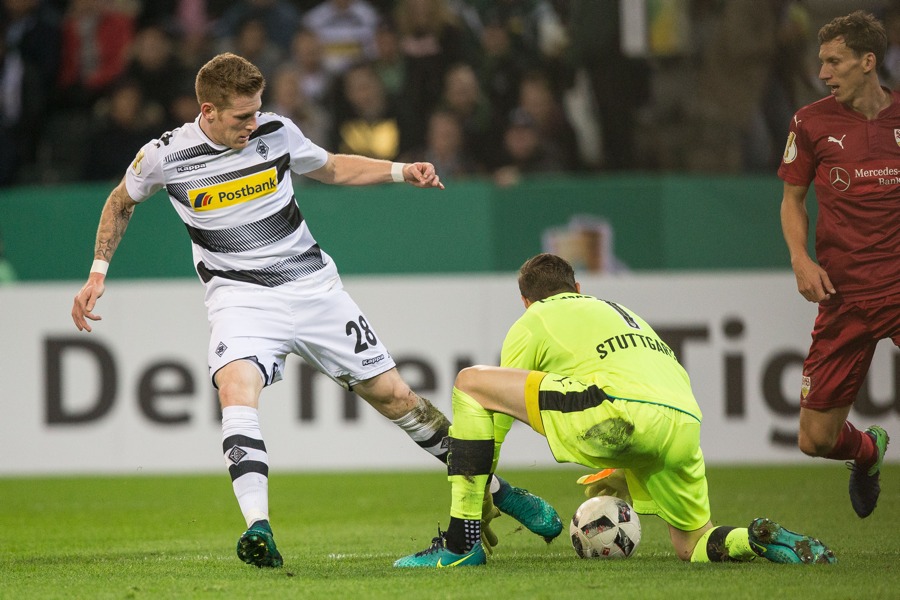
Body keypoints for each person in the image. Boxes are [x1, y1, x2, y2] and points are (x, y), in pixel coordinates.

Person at [69, 52, 561, 569]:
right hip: (241, 298)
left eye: (257, 111)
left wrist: (400, 171)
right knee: (235, 387)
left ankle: (502, 492)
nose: (253, 124)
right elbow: (121, 201)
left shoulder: (276, 131)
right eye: (241, 116)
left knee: (396, 398)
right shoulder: (164, 154)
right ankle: (258, 528)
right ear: (208, 110)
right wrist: (97, 273)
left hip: (314, 289)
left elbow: (329, 166)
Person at [395, 253, 836, 567]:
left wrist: (483, 495)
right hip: (683, 422)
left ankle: (460, 543)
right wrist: (626, 463)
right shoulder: (621, 311)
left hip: (616, 411)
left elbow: (494, 418)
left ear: (526, 301)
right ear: (579, 289)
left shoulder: (535, 318)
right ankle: (753, 542)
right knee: (693, 545)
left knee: (471, 382)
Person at [778, 10, 895, 519]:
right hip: (842, 293)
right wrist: (800, 258)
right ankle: (867, 452)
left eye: (834, 61)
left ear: (868, 62)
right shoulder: (810, 121)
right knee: (815, 439)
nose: (824, 72)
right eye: (822, 61)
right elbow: (792, 200)